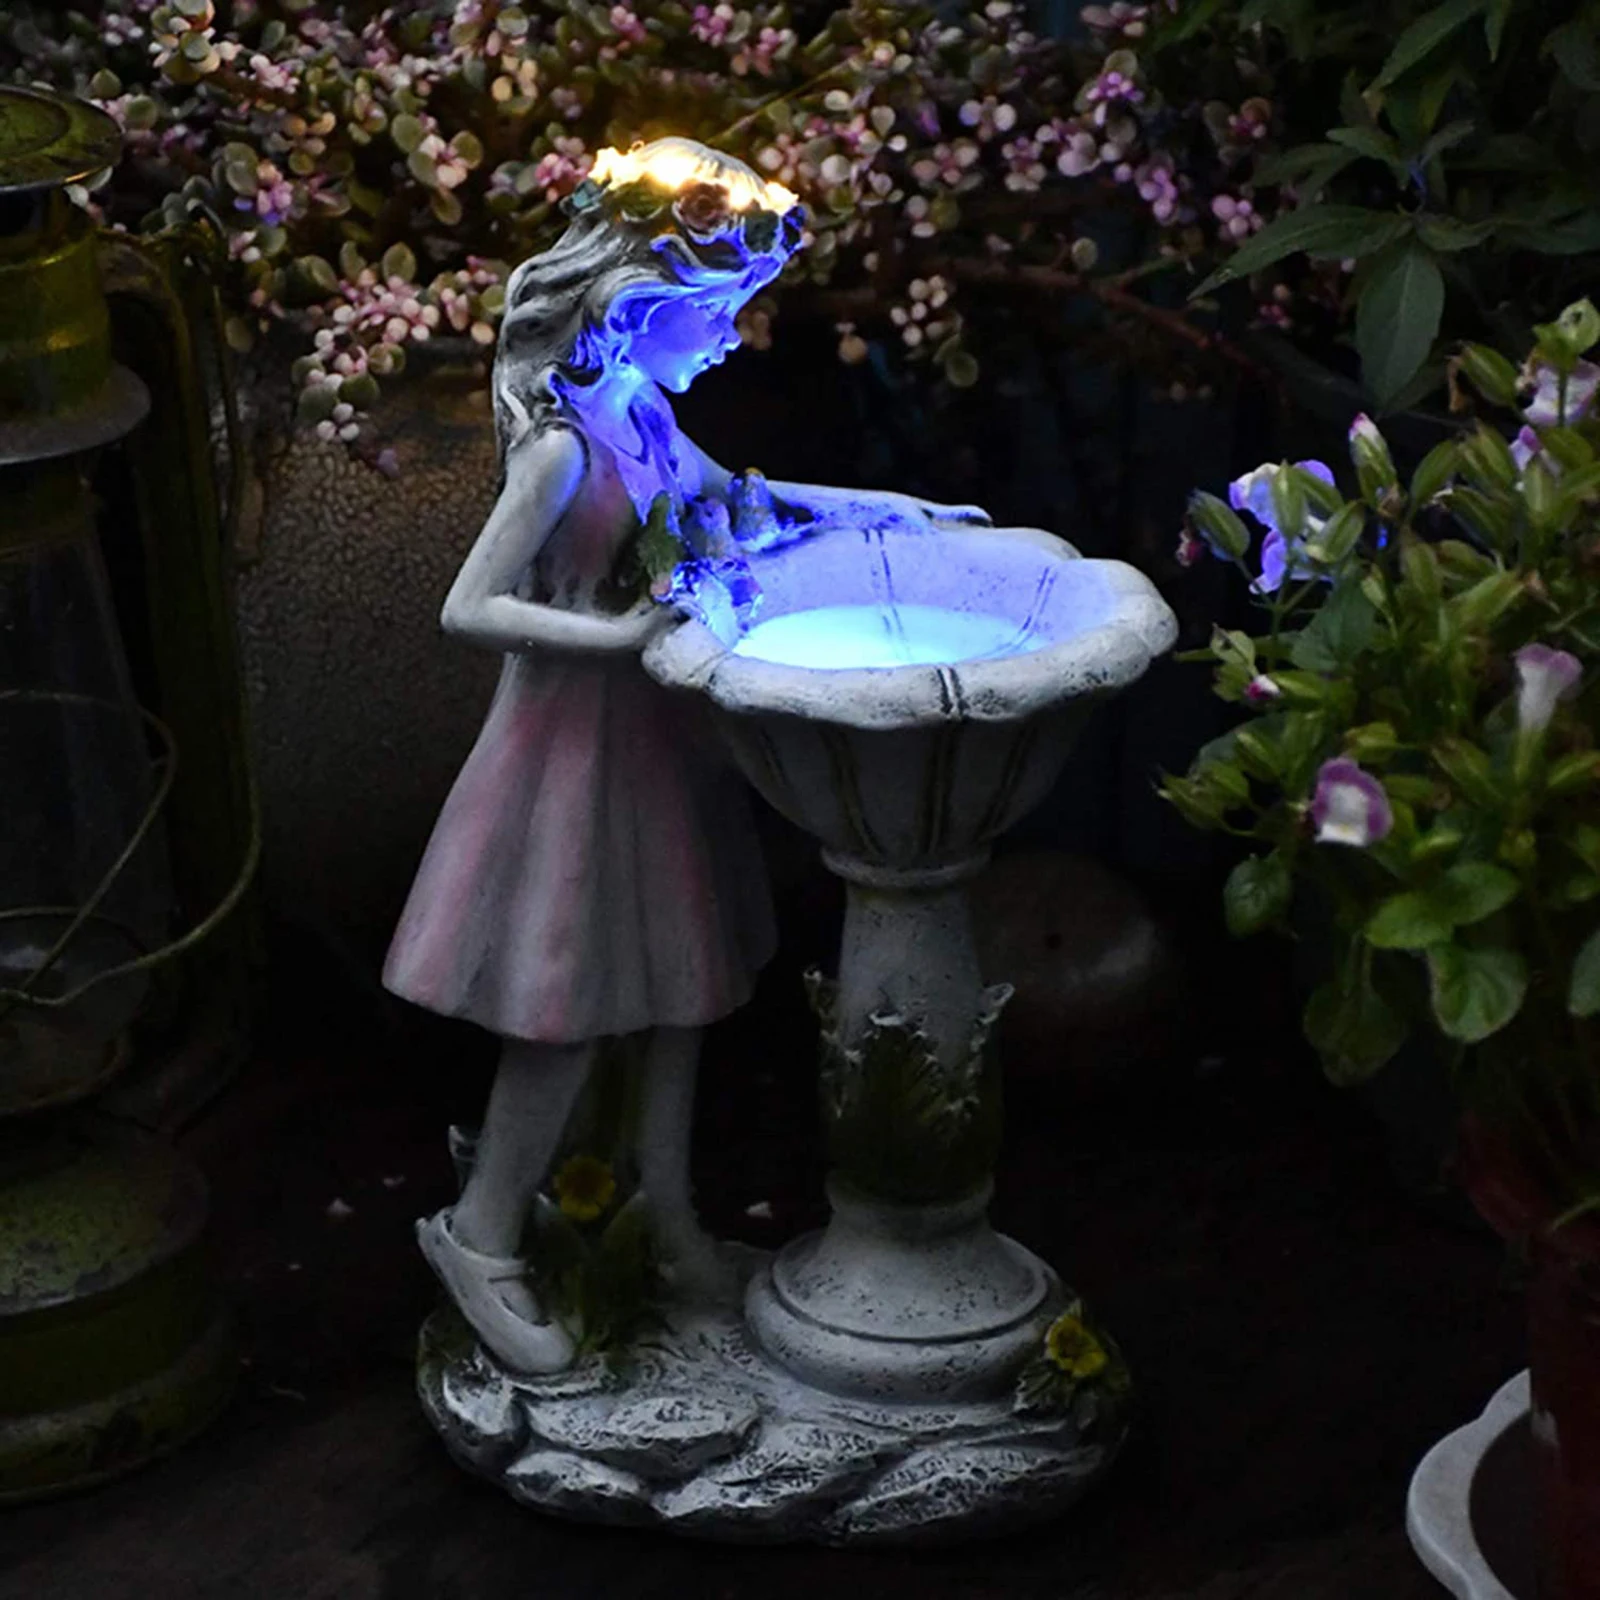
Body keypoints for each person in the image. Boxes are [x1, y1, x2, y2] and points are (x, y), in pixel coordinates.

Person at [386, 138, 985, 1374]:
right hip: (572, 757)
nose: (729, 339)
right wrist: (620, 637)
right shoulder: (563, 447)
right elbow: (469, 607)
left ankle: (666, 1212)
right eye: (714, 315)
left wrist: (891, 511)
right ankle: (481, 1233)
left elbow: (743, 501)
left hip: (662, 750)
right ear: (636, 305)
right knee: (561, 1007)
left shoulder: (645, 415)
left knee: (681, 988)